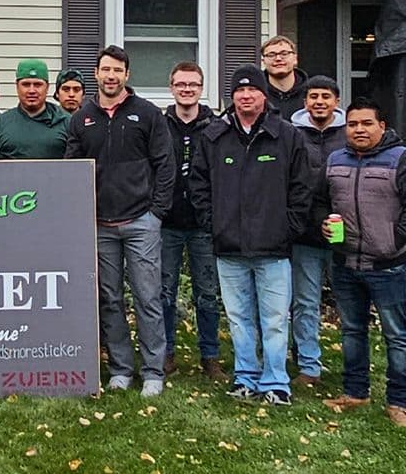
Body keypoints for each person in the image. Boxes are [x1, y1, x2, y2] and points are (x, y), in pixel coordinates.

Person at [190, 66, 312, 406]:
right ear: (233, 97)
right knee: (239, 318)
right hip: (229, 246)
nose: (246, 96)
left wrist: (288, 227)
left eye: (253, 91)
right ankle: (245, 376)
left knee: (274, 319)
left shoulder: (287, 136)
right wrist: (213, 223)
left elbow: (302, 188)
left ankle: (275, 381)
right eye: (240, 91)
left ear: (264, 95)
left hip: (273, 247)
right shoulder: (214, 136)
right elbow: (198, 185)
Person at [63, 46, 173, 395]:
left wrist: (156, 213)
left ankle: (154, 371)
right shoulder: (82, 118)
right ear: (96, 74)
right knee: (110, 299)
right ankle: (121, 369)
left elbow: (165, 165)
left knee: (147, 297)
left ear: (127, 75)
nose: (111, 76)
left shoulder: (148, 114)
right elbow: (71, 170)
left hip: (141, 221)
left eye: (118, 71)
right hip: (100, 224)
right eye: (105, 70)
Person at [323, 99, 406, 427]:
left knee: (396, 334)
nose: (359, 129)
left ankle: (399, 402)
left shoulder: (401, 159)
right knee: (352, 331)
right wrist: (322, 223)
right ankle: (356, 392)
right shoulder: (335, 160)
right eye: (353, 124)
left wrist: (394, 239)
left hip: (388, 266)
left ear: (382, 126)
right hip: (345, 262)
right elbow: (320, 201)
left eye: (366, 123)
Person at [159, 61, 224, 379]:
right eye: (181, 84)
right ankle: (166, 352)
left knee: (208, 293)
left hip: (203, 224)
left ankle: (210, 356)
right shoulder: (159, 124)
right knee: (164, 290)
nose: (187, 89)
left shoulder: (215, 127)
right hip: (167, 222)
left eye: (193, 85)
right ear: (171, 87)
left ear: (201, 88)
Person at [289, 75, 347, 387]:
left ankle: (354, 364)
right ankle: (309, 366)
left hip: (342, 234)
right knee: (305, 303)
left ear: (336, 101)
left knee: (348, 301)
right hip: (305, 234)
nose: (319, 102)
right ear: (305, 102)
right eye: (313, 97)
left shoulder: (349, 134)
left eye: (325, 96)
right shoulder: (292, 134)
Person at [0, 59, 69, 159]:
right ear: (17, 87)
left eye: (38, 85)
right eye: (26, 85)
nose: (31, 91)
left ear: (47, 87)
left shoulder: (66, 122)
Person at [260, 36, 308, 122]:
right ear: (263, 61)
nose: (278, 59)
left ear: (295, 59)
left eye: (284, 54)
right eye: (271, 55)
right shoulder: (257, 95)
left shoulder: (311, 93)